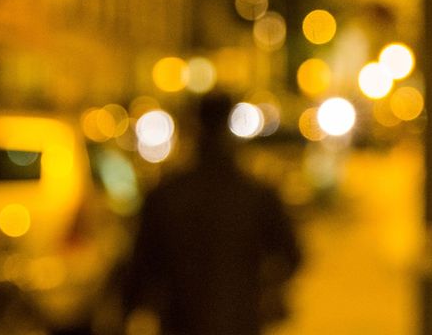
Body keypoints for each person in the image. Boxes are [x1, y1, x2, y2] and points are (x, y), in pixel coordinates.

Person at [120, 93, 302, 335]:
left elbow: (141, 267)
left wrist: (136, 307)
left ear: (195, 128)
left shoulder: (166, 195)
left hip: (182, 323)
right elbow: (291, 256)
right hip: (241, 321)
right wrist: (261, 287)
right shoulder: (256, 194)